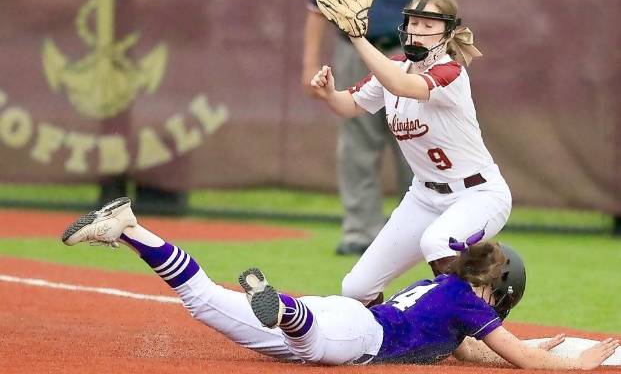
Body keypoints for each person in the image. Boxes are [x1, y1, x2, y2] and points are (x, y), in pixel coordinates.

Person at [60, 198, 619, 368]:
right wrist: (582, 360)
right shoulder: (466, 302)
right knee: (310, 343)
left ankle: (131, 229)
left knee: (203, 299)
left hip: (344, 315)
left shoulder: (444, 295)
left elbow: (470, 352)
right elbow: (518, 357)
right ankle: (279, 307)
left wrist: (513, 351)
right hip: (354, 336)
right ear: (497, 291)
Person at [311, 0, 512, 306]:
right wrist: (330, 94)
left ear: (447, 33)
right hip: (423, 197)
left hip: (478, 194)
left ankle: (468, 328)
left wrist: (358, 37)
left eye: (428, 25)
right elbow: (350, 105)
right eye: (414, 23)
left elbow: (402, 86)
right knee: (356, 289)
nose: (418, 31)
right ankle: (383, 334)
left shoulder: (451, 73)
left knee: (437, 242)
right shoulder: (396, 66)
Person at [303, 0, 444, 255]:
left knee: (415, 138)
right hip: (353, 52)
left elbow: (440, 4)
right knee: (356, 143)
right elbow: (316, 10)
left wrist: (436, 54)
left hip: (407, 52)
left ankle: (425, 230)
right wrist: (309, 64)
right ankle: (360, 232)